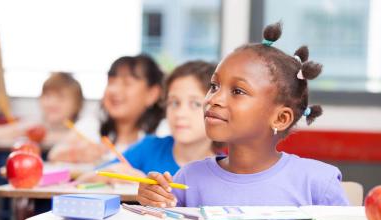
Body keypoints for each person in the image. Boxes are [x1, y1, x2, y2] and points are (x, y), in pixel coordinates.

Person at [136, 22, 349, 208]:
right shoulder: (187, 179)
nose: (213, 99)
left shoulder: (319, 184)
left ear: (280, 118)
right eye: (214, 86)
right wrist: (153, 202)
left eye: (238, 91)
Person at [77, 61, 222, 182]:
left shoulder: (227, 163)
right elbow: (85, 179)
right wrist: (115, 172)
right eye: (174, 103)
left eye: (195, 104)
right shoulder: (149, 147)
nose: (180, 114)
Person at [48, 54, 165, 163]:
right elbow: (53, 155)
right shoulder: (93, 125)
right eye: (111, 82)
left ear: (152, 94)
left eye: (127, 83)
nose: (114, 90)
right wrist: (76, 154)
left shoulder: (163, 132)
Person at [0, 72, 83, 144]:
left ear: (77, 104)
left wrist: (41, 137)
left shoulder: (83, 127)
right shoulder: (34, 125)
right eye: (47, 96)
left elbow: (78, 139)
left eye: (61, 98)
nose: (51, 103)